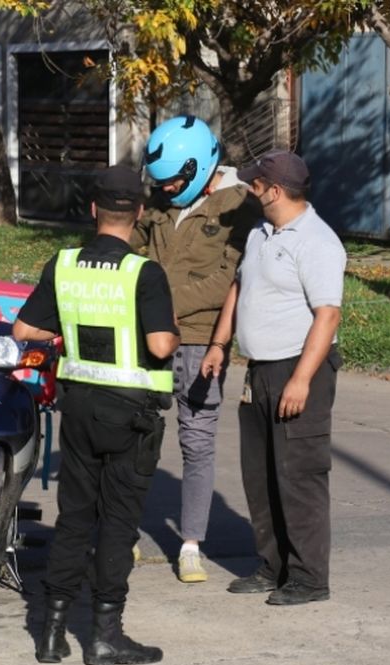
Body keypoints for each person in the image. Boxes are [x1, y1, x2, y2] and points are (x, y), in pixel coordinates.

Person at [14, 164, 180, 665]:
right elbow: (158, 343)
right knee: (118, 524)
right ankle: (106, 634)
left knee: (74, 517)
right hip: (130, 417)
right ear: (140, 214)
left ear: (93, 211)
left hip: (80, 408)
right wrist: (172, 334)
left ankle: (51, 631)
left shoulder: (63, 265)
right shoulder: (144, 273)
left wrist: (68, 329)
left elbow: (25, 332)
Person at [203, 150, 344, 606]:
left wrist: (301, 380)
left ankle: (308, 578)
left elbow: (328, 316)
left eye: (255, 184)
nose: (249, 189)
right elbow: (239, 287)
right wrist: (219, 344)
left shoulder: (318, 242)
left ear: (276, 191)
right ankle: (272, 565)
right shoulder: (261, 233)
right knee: (259, 474)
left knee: (298, 475)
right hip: (259, 369)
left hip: (298, 367)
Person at [133, 114, 262, 584]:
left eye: (172, 183)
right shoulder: (161, 200)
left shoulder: (239, 207)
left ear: (198, 166)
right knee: (132, 431)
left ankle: (191, 544)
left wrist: (158, 306)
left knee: (196, 439)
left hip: (199, 338)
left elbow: (226, 281)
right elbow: (135, 242)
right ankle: (124, 527)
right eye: (160, 184)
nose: (165, 191)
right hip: (145, 334)